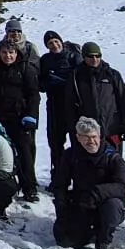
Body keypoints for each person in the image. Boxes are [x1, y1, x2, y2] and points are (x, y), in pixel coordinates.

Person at [50, 117, 125, 249]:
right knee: (65, 241)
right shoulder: (71, 155)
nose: (91, 141)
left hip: (108, 202)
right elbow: (60, 184)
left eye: (94, 137)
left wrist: (96, 193)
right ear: (78, 138)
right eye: (86, 137)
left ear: (100, 136)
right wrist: (61, 207)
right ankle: (88, 232)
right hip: (82, 202)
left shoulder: (113, 157)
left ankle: (104, 240)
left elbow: (123, 187)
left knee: (111, 207)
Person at [0, 40, 42, 202]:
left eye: (11, 53)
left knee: (24, 152)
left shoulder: (25, 69)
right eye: (4, 53)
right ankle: (1, 184)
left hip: (19, 118)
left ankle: (29, 187)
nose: (8, 56)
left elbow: (34, 95)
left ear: (16, 53)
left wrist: (31, 115)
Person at [70, 43, 125, 150]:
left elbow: (123, 101)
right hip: (88, 132)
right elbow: (70, 104)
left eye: (98, 56)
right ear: (84, 57)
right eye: (90, 56)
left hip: (112, 128)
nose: (95, 59)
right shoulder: (76, 76)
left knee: (114, 161)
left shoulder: (112, 74)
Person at [38, 31, 80, 166]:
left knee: (77, 142)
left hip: (73, 106)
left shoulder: (74, 56)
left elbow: (81, 79)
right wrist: (48, 82)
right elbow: (40, 83)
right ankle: (58, 176)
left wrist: (64, 82)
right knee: (55, 143)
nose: (54, 45)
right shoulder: (45, 60)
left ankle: (79, 176)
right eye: (50, 43)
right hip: (54, 106)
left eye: (56, 41)